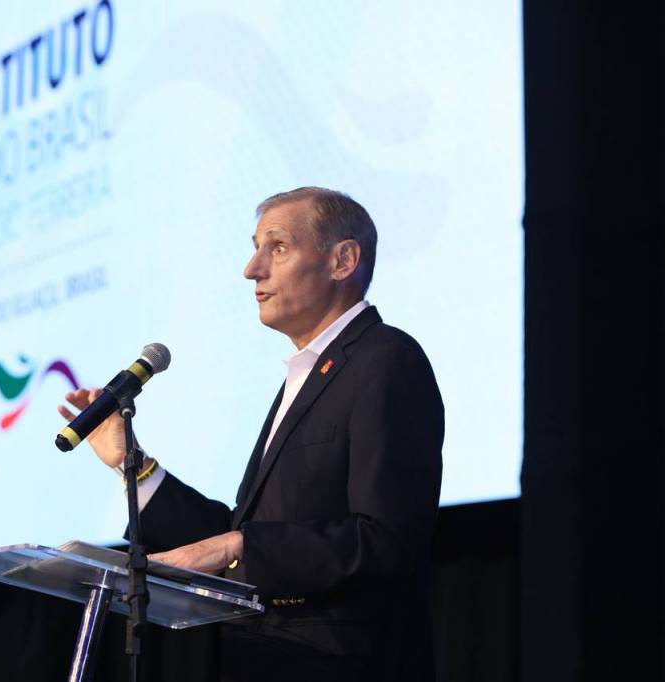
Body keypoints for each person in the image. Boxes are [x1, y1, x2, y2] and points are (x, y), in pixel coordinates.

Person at [58, 187, 444, 681]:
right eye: (255, 248)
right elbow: (245, 532)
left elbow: (384, 539)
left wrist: (240, 546)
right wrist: (132, 464)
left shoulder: (385, 360)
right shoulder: (308, 375)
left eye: (277, 248)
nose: (251, 269)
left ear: (342, 260)